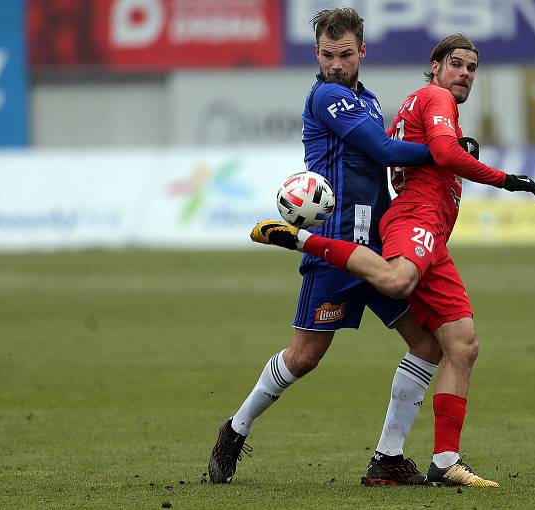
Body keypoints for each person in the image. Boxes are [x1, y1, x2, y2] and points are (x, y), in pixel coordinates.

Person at [251, 33, 535, 487]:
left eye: (471, 68)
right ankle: (297, 240)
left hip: (416, 228)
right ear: (435, 66)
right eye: (456, 65)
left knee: (458, 344)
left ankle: (438, 461)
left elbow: (390, 154)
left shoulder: (381, 102)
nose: (464, 74)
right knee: (384, 289)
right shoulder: (430, 97)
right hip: (405, 221)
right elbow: (430, 153)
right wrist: (505, 179)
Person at [208, 7, 446, 486]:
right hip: (335, 245)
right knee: (304, 357)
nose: (336, 64)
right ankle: (235, 428)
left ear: (362, 52)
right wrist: (447, 152)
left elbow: (381, 163)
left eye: (345, 55)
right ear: (316, 53)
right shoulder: (328, 98)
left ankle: (388, 458)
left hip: (377, 247)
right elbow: (382, 151)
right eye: (328, 55)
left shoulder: (370, 99)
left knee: (427, 345)